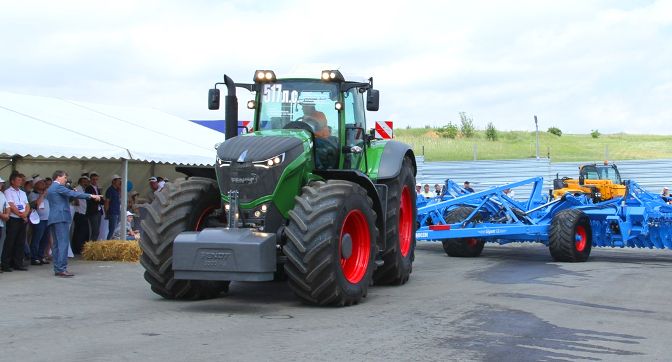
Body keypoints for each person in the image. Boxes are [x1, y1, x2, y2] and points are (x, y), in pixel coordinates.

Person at [47, 170, 102, 277]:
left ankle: (58, 268)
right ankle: (62, 269)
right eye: (64, 178)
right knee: (63, 243)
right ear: (58, 177)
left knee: (56, 244)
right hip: (61, 217)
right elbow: (72, 194)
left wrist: (72, 194)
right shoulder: (58, 187)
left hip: (54, 217)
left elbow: (67, 198)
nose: (66, 180)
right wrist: (91, 196)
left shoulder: (51, 188)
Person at [2, 171, 31, 271]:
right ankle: (6, 264)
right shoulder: (8, 192)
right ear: (12, 181)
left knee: (20, 241)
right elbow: (11, 205)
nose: (20, 182)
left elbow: (27, 205)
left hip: (22, 219)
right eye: (18, 180)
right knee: (10, 241)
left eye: (21, 180)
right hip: (14, 219)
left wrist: (25, 214)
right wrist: (21, 215)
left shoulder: (22, 192)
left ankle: (18, 263)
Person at [28, 177, 50, 265]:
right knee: (37, 238)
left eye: (44, 182)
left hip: (47, 219)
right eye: (41, 182)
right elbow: (36, 204)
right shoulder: (33, 194)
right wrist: (42, 195)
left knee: (45, 239)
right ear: (35, 185)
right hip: (38, 220)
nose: (43, 184)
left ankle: (41, 256)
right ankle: (34, 257)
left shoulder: (46, 193)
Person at [71, 175, 90, 254]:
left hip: (83, 212)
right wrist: (76, 200)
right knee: (80, 231)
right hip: (79, 212)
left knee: (82, 231)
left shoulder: (83, 189)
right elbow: (75, 198)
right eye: (84, 181)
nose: (85, 183)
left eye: (86, 181)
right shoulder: (78, 189)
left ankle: (80, 247)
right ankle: (78, 248)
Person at [85, 171, 103, 241]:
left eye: (96, 179)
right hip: (93, 211)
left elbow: (100, 200)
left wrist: (99, 199)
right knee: (95, 230)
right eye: (93, 179)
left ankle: (93, 245)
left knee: (97, 231)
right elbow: (94, 199)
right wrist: (99, 199)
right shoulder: (89, 188)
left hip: (98, 211)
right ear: (90, 180)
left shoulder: (97, 188)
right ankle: (91, 246)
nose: (95, 181)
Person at [105, 175, 122, 240]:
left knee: (115, 230)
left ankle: (111, 243)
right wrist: (106, 212)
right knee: (112, 230)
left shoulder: (116, 190)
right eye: (118, 180)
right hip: (112, 212)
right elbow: (107, 202)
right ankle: (108, 244)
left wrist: (120, 188)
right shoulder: (110, 190)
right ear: (113, 181)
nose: (119, 182)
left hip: (117, 211)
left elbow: (120, 198)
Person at [0, 177, 9, 273]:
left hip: (1, 223)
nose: (1, 185)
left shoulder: (2, 194)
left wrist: (6, 214)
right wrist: (4, 215)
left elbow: (7, 206)